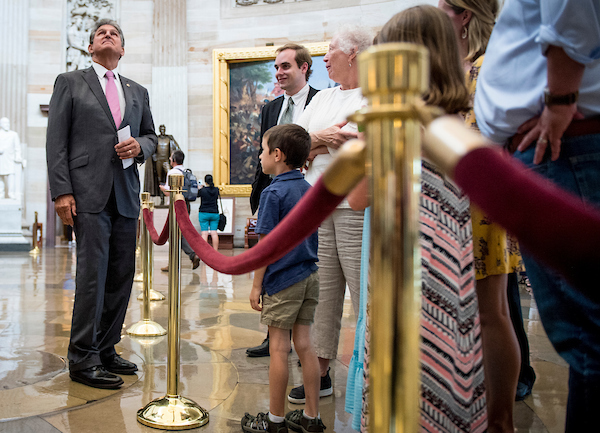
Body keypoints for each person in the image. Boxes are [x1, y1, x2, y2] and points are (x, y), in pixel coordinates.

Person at [474, 1, 600, 431]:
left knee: (586, 334)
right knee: (580, 333)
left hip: (562, 144)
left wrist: (560, 97)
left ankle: (503, 412)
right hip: (536, 154)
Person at [368, 6, 486, 432]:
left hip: (414, 258)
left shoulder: (405, 124)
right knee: (449, 359)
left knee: (413, 365)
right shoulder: (454, 116)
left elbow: (361, 195)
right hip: (447, 253)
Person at [46, 19, 157, 389]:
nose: (108, 35)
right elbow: (56, 141)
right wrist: (62, 191)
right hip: (87, 193)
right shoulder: (71, 82)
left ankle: (107, 347)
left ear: (122, 50)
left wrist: (141, 146)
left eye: (115, 34)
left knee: (121, 276)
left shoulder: (137, 91)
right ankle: (82, 357)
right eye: (100, 33)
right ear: (90, 48)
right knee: (92, 276)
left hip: (125, 193)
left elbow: (153, 137)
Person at [438, 1, 524, 431]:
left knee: (492, 312)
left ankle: (501, 418)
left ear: (464, 14)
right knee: (467, 313)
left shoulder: (488, 65)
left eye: (443, 8)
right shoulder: (459, 66)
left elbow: (493, 132)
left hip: (482, 200)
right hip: (449, 200)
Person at [287, 24, 373, 405]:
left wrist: (315, 143)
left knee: (362, 289)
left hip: (356, 205)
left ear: (353, 53)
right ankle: (319, 373)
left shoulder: (375, 95)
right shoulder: (322, 99)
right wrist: (325, 141)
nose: (324, 57)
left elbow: (360, 147)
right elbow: (293, 142)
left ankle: (372, 372)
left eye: (331, 50)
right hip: (318, 204)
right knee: (323, 294)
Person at [241, 124, 324, 433]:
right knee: (305, 344)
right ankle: (311, 418)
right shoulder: (308, 189)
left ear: (277, 155)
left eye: (263, 151)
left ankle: (275, 420)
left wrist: (255, 285)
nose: (260, 156)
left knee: (278, 348)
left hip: (283, 280)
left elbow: (265, 245)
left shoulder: (273, 192)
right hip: (309, 275)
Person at [247, 43, 319, 358]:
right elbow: (264, 155)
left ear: (304, 67)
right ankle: (274, 334)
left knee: (300, 267)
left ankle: (299, 337)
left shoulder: (320, 100)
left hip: (309, 195)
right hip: (276, 195)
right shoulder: (270, 107)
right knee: (274, 262)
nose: (279, 73)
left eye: (286, 66)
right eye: (276, 67)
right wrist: (258, 198)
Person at [159, 150, 201, 271]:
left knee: (175, 233)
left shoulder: (172, 172)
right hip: (186, 204)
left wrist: (162, 188)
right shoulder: (186, 171)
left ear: (173, 160)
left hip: (176, 205)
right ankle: (174, 262)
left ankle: (192, 255)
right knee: (179, 232)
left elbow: (168, 193)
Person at [144, 124, 181, 199]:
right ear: (160, 130)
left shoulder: (169, 139)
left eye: (164, 129)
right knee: (159, 179)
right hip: (158, 161)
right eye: (161, 129)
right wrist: (154, 157)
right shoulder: (156, 139)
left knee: (169, 177)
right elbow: (152, 149)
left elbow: (177, 148)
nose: (163, 130)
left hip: (166, 161)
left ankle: (171, 196)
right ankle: (161, 198)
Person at [0, 117, 22, 199]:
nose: (7, 125)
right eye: (5, 123)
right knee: (0, 176)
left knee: (11, 175)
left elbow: (17, 147)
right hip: (1, 158)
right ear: (1, 124)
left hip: (10, 158)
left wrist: (18, 156)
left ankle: (11, 193)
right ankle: (1, 194)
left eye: (8, 123)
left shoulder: (13, 134)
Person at [198, 174, 220, 251]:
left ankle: (204, 251)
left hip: (204, 212)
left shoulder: (202, 190)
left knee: (204, 233)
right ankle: (215, 251)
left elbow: (197, 195)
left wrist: (200, 188)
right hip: (214, 213)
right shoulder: (216, 189)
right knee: (214, 232)